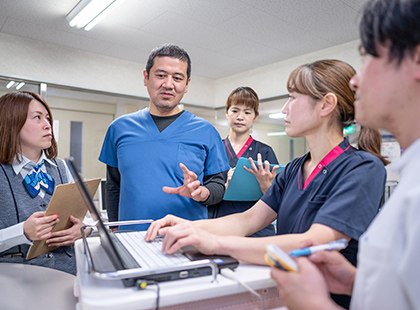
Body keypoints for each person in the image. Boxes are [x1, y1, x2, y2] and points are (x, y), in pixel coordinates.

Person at [146, 59, 389, 308]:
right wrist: (190, 226)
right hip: (289, 295)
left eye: (293, 98)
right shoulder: (294, 168)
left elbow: (314, 242)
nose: (285, 109)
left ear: (326, 105)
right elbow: (247, 220)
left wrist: (215, 244)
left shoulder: (362, 168)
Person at [269, 0, 420, 309]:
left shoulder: (364, 168)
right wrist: (356, 282)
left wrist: (313, 304)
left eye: (368, 58)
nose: (355, 80)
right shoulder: (411, 175)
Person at [99, 43, 229, 231]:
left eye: (177, 78)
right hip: (132, 239)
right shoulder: (119, 128)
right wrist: (115, 229)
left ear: (186, 85)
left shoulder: (206, 131)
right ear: (146, 77)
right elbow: (113, 186)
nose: (168, 85)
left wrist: (201, 192)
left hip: (187, 239)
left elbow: (218, 184)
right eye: (161, 75)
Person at [0, 91, 91, 275]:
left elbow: (84, 219)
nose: (47, 125)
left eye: (48, 118)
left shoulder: (61, 167)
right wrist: (22, 231)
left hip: (68, 275)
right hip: (16, 281)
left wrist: (83, 230)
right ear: (12, 123)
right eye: (37, 118)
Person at [208, 86, 279, 237]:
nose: (240, 117)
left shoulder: (265, 152)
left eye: (247, 112)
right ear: (226, 113)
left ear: (255, 116)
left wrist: (265, 184)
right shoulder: (214, 149)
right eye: (235, 111)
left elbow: (277, 197)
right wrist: (223, 187)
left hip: (257, 229)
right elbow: (204, 192)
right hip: (220, 225)